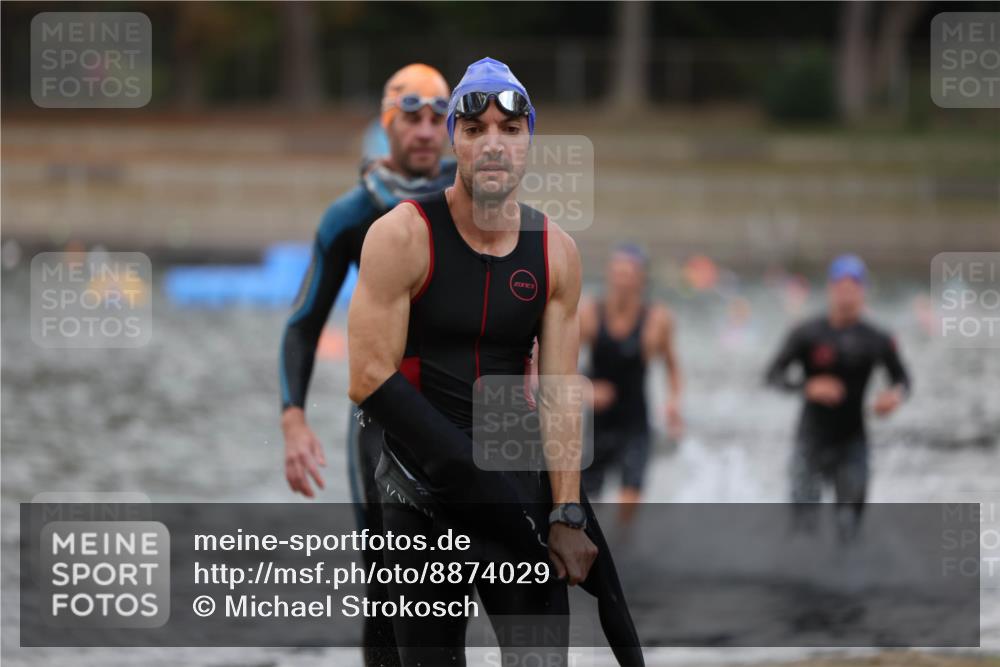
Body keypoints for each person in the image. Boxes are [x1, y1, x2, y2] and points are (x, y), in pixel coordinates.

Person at [347, 57, 643, 667]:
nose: (492, 145)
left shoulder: (555, 251)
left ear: (529, 138)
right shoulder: (401, 235)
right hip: (421, 497)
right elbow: (367, 375)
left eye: (509, 131)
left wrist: (564, 510)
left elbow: (559, 394)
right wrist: (472, 476)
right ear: (454, 137)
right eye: (475, 129)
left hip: (515, 492)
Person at [278, 63, 454, 667]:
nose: (426, 131)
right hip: (381, 418)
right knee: (387, 581)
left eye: (438, 118)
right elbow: (303, 321)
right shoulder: (351, 215)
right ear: (388, 124)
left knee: (494, 571)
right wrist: (293, 418)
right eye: (412, 117)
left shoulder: (476, 199)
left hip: (464, 410)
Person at [765, 254, 911, 541]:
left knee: (849, 525)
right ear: (830, 288)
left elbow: (903, 380)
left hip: (852, 441)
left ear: (863, 290)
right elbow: (772, 376)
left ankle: (845, 579)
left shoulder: (877, 339)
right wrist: (808, 387)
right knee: (804, 525)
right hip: (811, 440)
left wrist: (894, 397)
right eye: (840, 285)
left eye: (853, 285)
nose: (846, 292)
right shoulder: (807, 333)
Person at [579, 244, 683, 520]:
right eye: (616, 273)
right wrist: (584, 389)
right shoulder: (590, 313)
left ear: (641, 278)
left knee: (628, 505)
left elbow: (672, 367)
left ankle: (624, 556)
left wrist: (673, 403)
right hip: (595, 424)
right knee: (587, 506)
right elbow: (557, 363)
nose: (621, 279)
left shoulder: (657, 320)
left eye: (628, 273)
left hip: (635, 422)